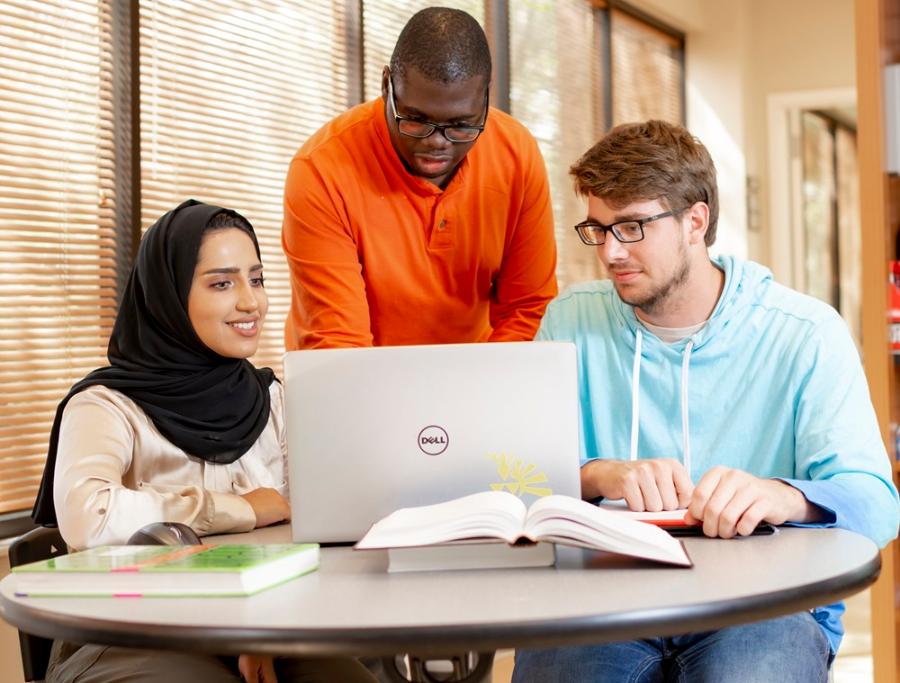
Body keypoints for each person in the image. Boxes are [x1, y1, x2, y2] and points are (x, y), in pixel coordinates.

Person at [512, 120, 900, 683]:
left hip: (765, 604)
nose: (611, 252)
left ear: (695, 221)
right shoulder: (571, 320)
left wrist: (783, 496)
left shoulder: (805, 332)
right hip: (604, 597)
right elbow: (520, 477)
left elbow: (877, 503)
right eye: (598, 229)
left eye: (633, 227)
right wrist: (600, 474)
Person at [31, 200, 375, 683]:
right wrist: (238, 510)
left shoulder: (271, 398)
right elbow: (91, 517)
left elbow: (312, 514)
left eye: (256, 279)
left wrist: (263, 632)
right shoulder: (106, 405)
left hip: (269, 620)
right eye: (221, 283)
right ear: (168, 296)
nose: (251, 302)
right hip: (128, 631)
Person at [282, 7, 557, 349]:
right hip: (360, 382)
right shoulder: (322, 170)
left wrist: (484, 385)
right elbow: (338, 342)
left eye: (460, 125)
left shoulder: (518, 154)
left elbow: (528, 307)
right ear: (387, 86)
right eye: (415, 120)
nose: (436, 142)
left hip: (475, 376)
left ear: (485, 97)